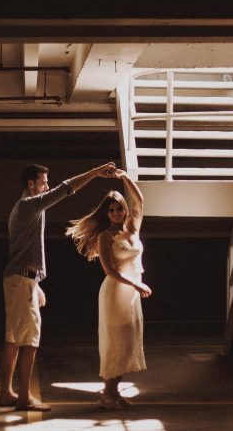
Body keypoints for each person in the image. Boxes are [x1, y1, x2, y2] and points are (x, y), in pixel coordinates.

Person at [0, 161, 119, 412]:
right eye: (43, 182)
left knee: (12, 340)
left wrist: (36, 283)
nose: (47, 186)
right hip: (21, 281)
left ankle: (6, 393)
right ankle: (24, 397)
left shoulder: (22, 209)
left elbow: (24, 251)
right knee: (30, 341)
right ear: (31, 184)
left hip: (20, 279)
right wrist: (96, 172)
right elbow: (66, 189)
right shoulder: (29, 205)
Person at [65, 169, 150, 410]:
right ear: (107, 213)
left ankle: (113, 391)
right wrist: (136, 283)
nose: (116, 213)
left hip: (132, 294)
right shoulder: (105, 236)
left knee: (130, 342)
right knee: (116, 342)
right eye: (111, 210)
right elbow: (110, 271)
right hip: (116, 292)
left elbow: (140, 200)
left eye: (119, 208)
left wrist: (124, 177)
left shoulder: (132, 228)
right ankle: (107, 393)